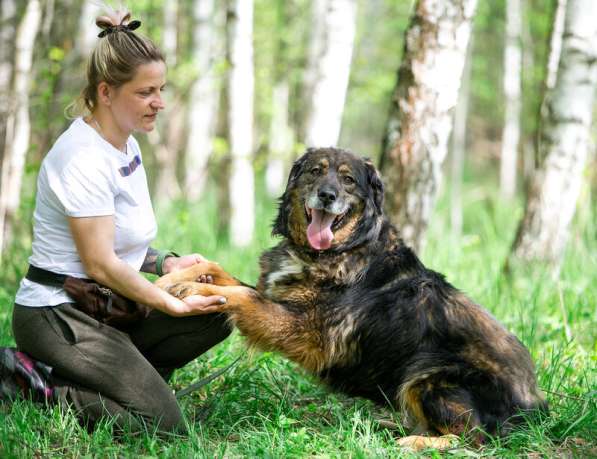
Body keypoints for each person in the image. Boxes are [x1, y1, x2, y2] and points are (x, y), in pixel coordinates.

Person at [0, 8, 231, 434]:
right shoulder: (80, 157)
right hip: (60, 315)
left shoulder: (125, 146)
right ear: (106, 93)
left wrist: (165, 265)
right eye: (146, 92)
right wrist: (169, 301)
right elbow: (100, 264)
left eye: (161, 89)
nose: (159, 102)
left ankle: (122, 382)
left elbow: (125, 244)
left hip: (109, 307)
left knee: (221, 308)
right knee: (162, 427)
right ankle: (34, 381)